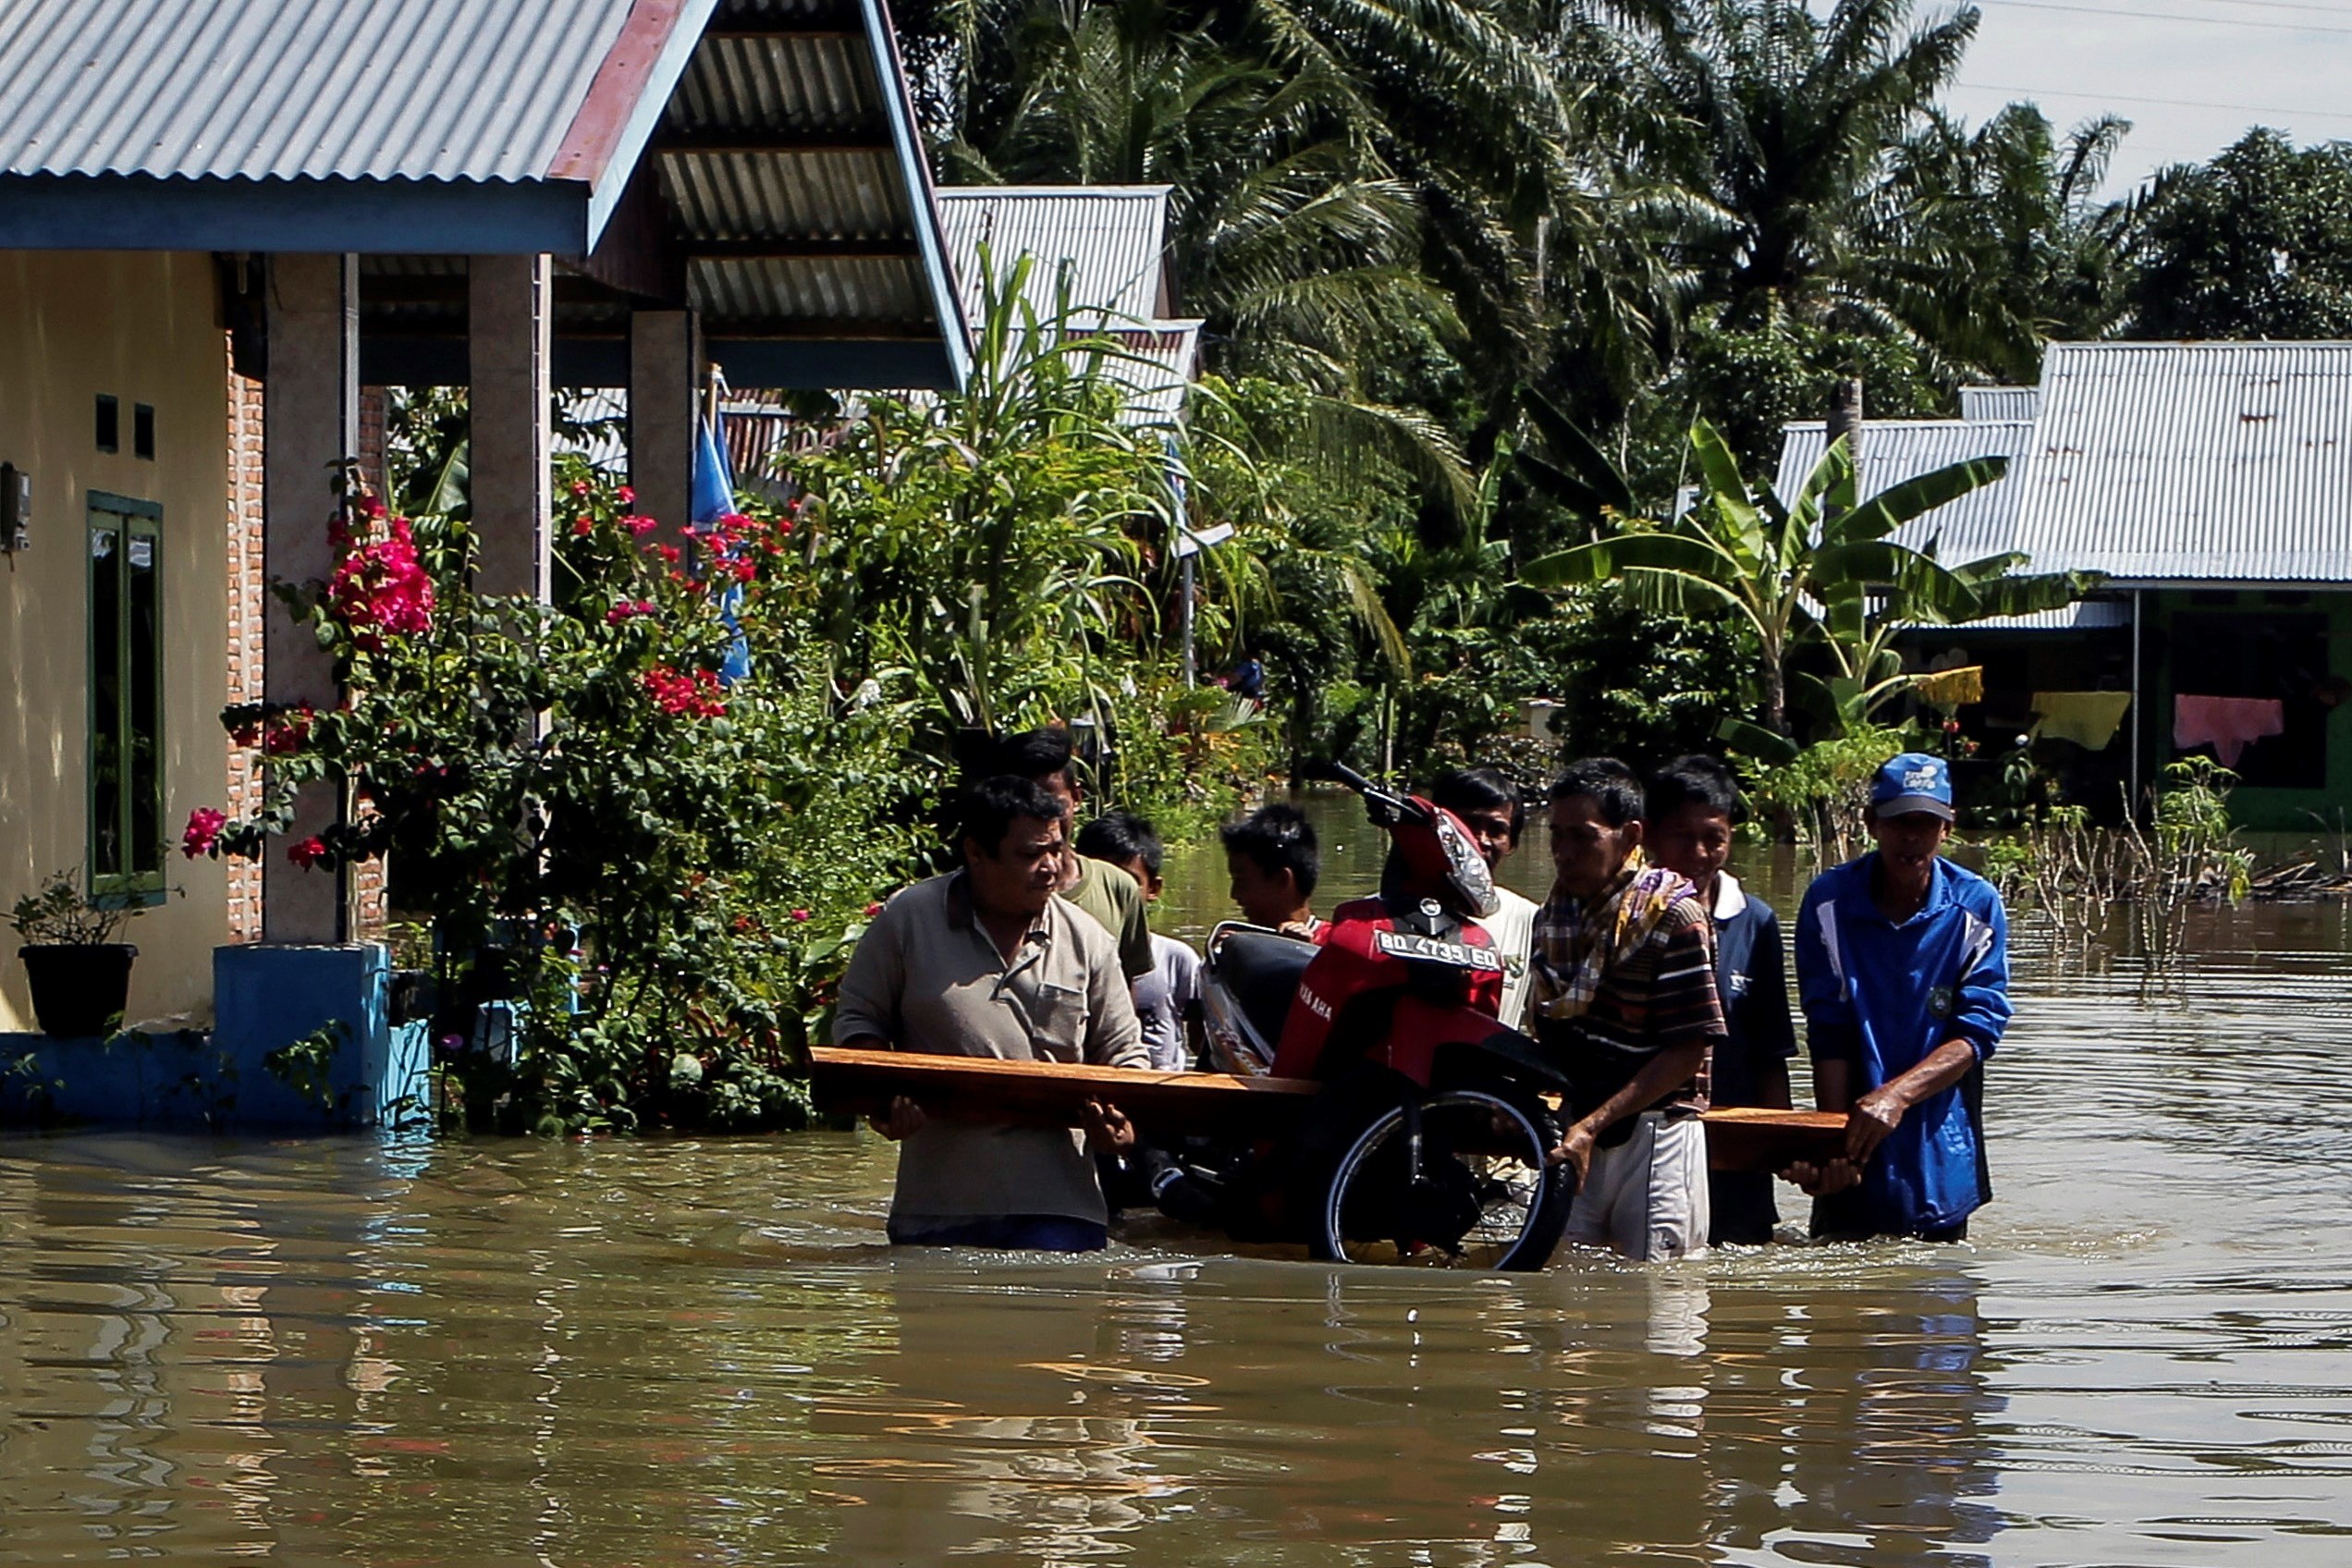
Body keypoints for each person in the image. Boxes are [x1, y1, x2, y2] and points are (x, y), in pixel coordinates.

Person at [833, 775, 1146, 1252]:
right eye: (1030, 854)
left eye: (1058, 850)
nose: (1051, 868)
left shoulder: (1088, 941)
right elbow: (857, 1024)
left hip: (1061, 1210)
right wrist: (883, 1098)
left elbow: (1125, 1055)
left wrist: (1120, 1125)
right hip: (937, 1208)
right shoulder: (908, 920)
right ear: (976, 853)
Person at [1789, 753, 2012, 1243]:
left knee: (1941, 1300)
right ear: (1872, 823)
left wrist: (1896, 1095)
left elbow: (1979, 1030)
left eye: (1925, 823)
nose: (1911, 837)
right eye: (1897, 822)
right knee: (1840, 1303)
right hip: (1854, 1145)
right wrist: (1834, 1146)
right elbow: (1827, 1028)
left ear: (1947, 828)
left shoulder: (1975, 905)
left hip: (1940, 1148)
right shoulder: (1829, 902)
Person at [1528, 757, 1727, 1263]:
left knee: (1659, 1307)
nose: (1564, 853)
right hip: (1581, 1130)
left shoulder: (1671, 916)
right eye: (1556, 835)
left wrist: (1594, 1124)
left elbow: (1689, 1049)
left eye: (1583, 837)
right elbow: (1552, 1032)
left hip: (1658, 1133)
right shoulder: (1555, 917)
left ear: (1629, 835)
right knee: (1566, 1303)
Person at [1644, 755, 1797, 1246]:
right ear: (1647, 837)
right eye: (1681, 836)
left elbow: (1771, 1050)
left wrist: (1782, 1145)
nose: (1699, 852)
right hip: (1650, 1141)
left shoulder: (1754, 922)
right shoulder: (1626, 918)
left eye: (1714, 837)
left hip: (1735, 1152)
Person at [995, 728, 1154, 983]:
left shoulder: (1118, 888)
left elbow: (1123, 992)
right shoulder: (984, 891)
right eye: (1026, 806)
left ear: (1077, 797)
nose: (1042, 818)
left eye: (1053, 803)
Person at [1074, 811, 1201, 1072]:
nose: (1114, 892)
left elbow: (1203, 1038)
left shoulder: (1177, 959)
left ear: (1153, 889)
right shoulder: (1064, 955)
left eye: (1127, 882)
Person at [1427, 766, 1538, 1030]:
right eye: (1467, 825)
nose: (1479, 840)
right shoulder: (1388, 913)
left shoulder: (1532, 921)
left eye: (1497, 830)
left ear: (1511, 844)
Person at [1220, 802, 1321, 937]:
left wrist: (1302, 954)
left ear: (1282, 880)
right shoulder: (1239, 947)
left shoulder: (1334, 949)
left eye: (1241, 880)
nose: (1234, 894)